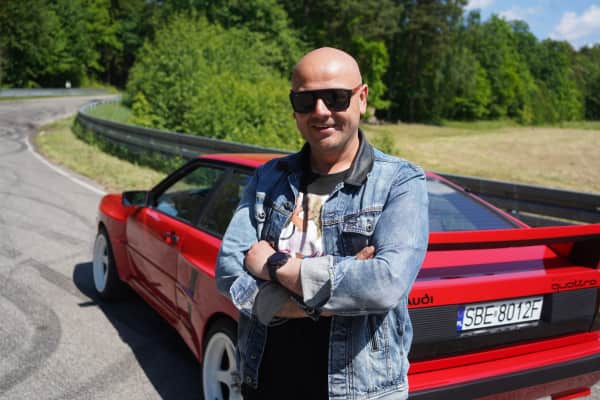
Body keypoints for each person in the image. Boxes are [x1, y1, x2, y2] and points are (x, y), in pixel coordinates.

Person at [215, 47, 429, 400]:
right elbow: (228, 270)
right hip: (264, 382)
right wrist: (329, 295)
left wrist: (275, 265)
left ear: (362, 98)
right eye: (306, 100)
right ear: (293, 107)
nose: (320, 111)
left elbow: (384, 284)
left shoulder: (400, 182)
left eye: (335, 97)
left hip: (361, 392)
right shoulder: (268, 178)